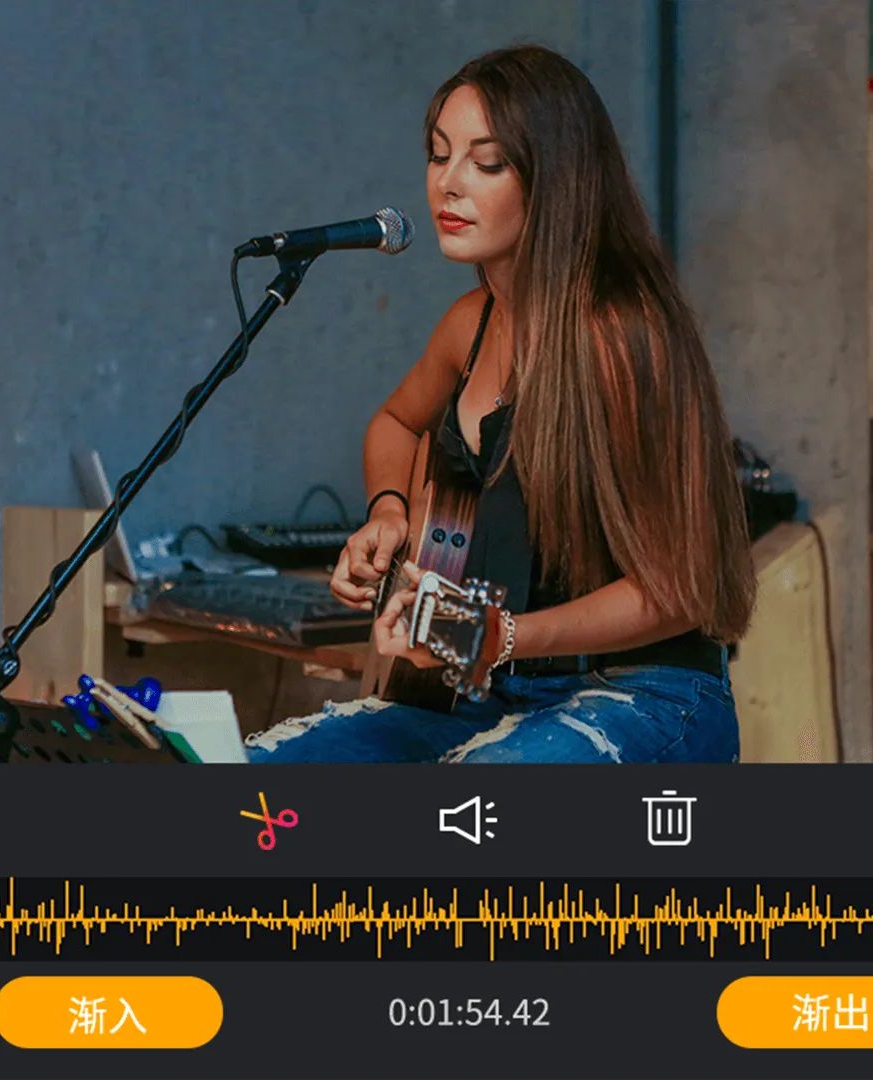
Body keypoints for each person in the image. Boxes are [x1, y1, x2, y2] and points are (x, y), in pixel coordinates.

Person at [246, 45, 754, 763]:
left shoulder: (621, 336)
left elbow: (680, 592)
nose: (447, 183)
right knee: (260, 777)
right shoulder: (470, 323)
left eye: (486, 163)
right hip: (490, 690)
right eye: (438, 154)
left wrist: (500, 635)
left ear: (555, 180)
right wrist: (388, 513)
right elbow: (395, 424)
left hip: (645, 691)